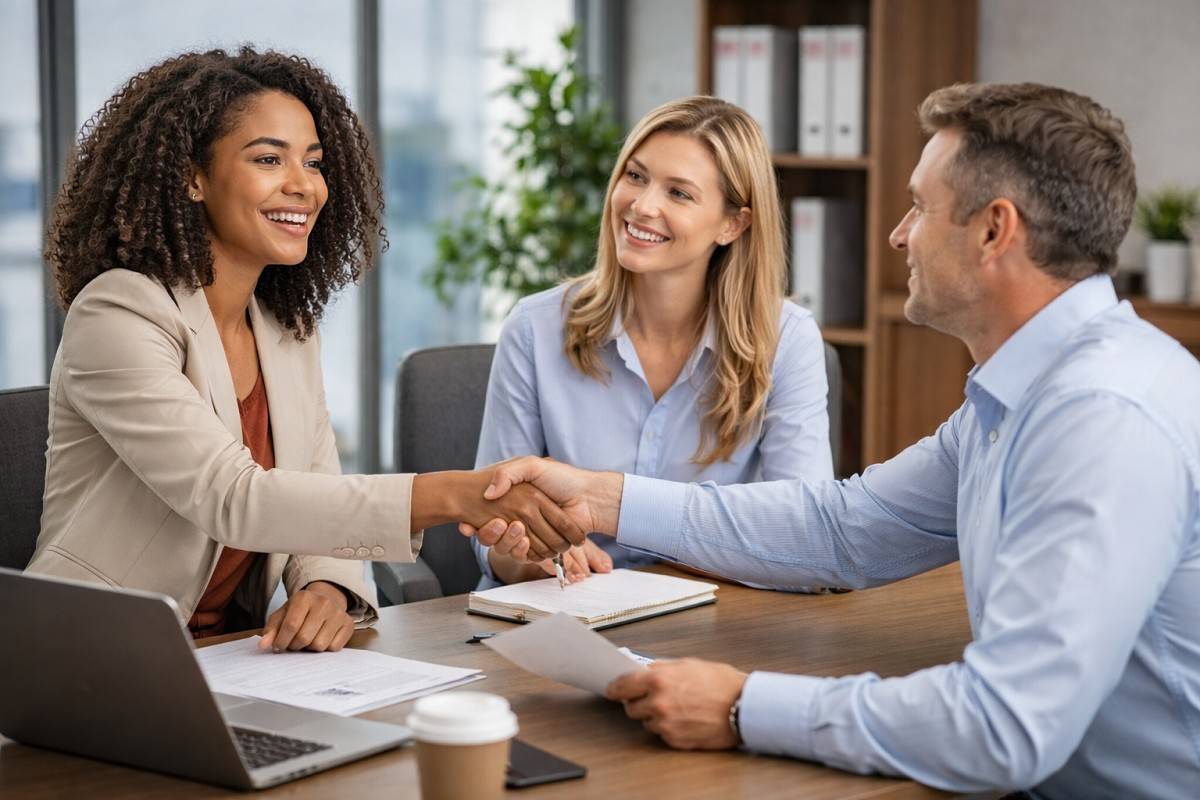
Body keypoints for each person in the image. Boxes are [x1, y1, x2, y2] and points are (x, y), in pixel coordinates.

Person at [472, 82, 1200, 798]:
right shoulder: (1016, 398)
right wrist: (603, 498)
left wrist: (739, 706)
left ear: (992, 230)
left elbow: (999, 729)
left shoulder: (1102, 418)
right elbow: (840, 528)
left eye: (919, 207)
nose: (897, 234)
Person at [27, 48, 582, 653]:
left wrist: (326, 587)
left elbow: (314, 484)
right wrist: (456, 493)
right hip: (92, 656)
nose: (304, 186)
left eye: (313, 163)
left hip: (232, 656)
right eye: (268, 158)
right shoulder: (119, 311)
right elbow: (235, 497)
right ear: (192, 176)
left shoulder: (286, 329)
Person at [472, 96, 833, 587]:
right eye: (635, 176)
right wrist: (528, 556)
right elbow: (491, 530)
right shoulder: (534, 329)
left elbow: (804, 529)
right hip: (567, 616)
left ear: (733, 224)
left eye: (679, 193)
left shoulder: (786, 339)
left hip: (717, 626)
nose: (642, 206)